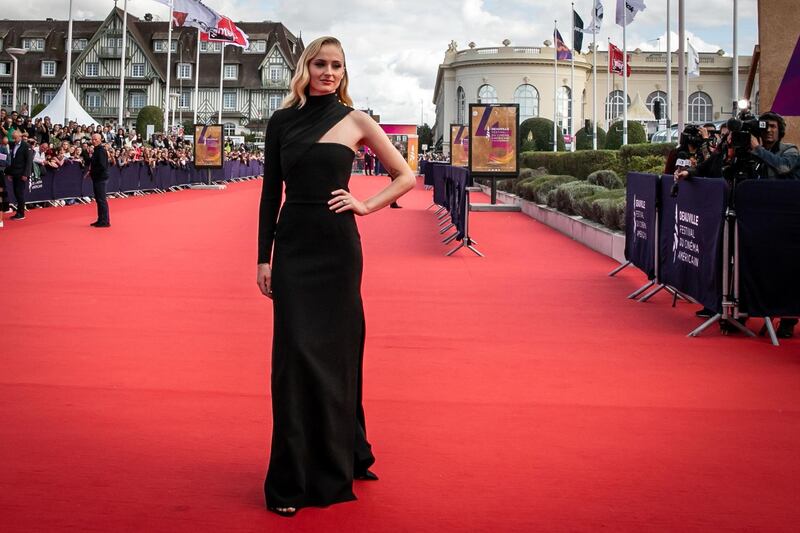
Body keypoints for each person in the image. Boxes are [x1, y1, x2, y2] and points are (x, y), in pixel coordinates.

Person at [256, 35, 415, 518]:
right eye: (321, 64)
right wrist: (264, 257)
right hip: (295, 246)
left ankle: (340, 456)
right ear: (306, 67)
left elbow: (404, 175)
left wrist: (365, 205)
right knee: (293, 358)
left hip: (338, 249)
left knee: (338, 354)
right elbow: (269, 195)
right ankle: (290, 478)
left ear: (345, 73)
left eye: (337, 66)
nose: (329, 72)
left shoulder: (356, 120)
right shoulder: (281, 122)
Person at [5, 128, 33, 220]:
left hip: (22, 174)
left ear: (20, 137)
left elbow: (29, 161)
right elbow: (12, 160)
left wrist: (26, 174)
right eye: (13, 138)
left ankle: (21, 213)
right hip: (14, 173)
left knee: (19, 193)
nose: (14, 140)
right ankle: (18, 212)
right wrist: (9, 173)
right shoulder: (13, 145)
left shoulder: (26, 146)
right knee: (16, 192)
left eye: (15, 138)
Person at [87, 133, 110, 227]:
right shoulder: (96, 150)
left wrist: (92, 172)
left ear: (100, 140)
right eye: (92, 139)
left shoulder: (101, 151)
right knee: (99, 200)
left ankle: (105, 221)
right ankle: (100, 219)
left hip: (100, 178)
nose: (94, 141)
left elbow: (102, 166)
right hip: (97, 177)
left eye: (96, 139)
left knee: (101, 200)